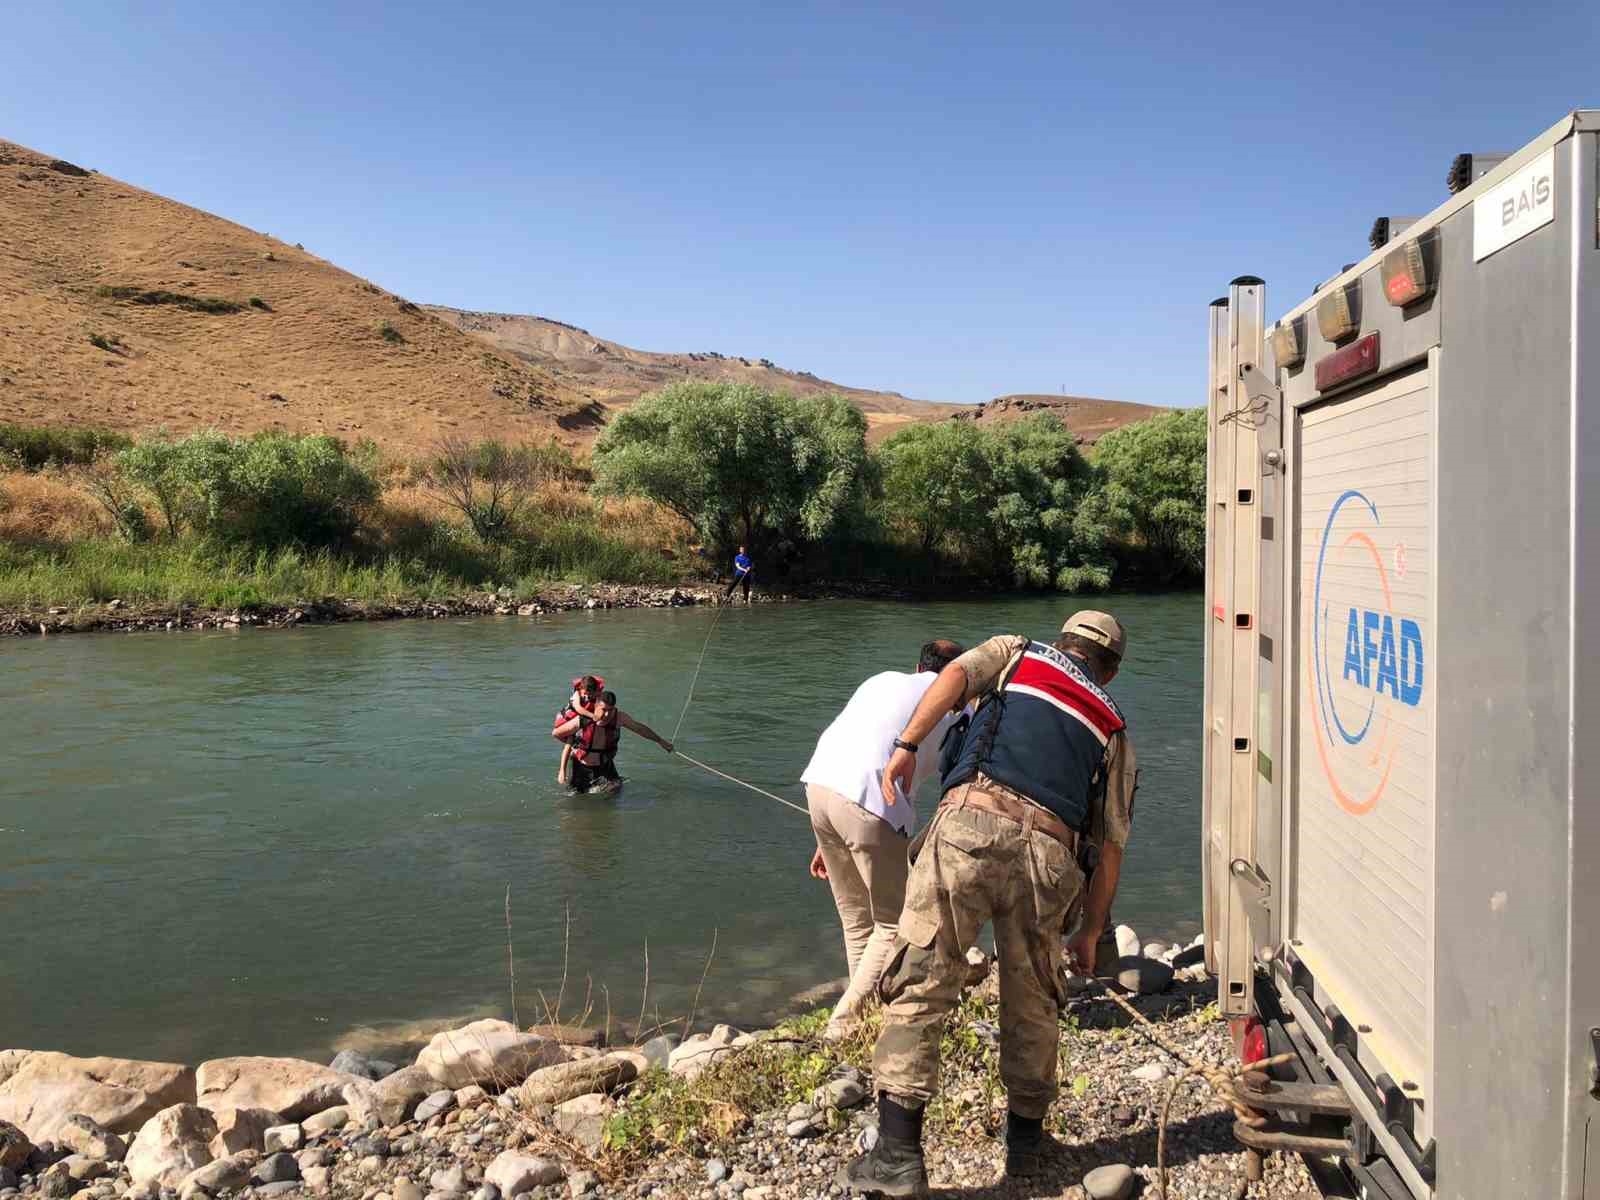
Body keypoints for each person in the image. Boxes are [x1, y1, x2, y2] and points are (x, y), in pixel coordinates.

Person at [840, 611, 1138, 1194]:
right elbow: (1111, 846)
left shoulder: (1018, 652)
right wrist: (1091, 930)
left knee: (923, 977)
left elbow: (954, 676)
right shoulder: (1113, 726)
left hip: (971, 825)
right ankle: (1026, 1147)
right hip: (1051, 856)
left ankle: (898, 1151)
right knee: (1034, 998)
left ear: (1064, 643)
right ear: (1111, 670)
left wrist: (907, 744)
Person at [801, 638, 967, 1041]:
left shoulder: (881, 680)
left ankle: (864, 1012)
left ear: (917, 665)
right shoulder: (954, 709)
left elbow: (861, 737)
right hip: (871, 800)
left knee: (857, 920)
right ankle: (842, 1022)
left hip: (821, 787)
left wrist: (828, 839)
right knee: (893, 923)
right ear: (958, 677)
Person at [551, 689, 675, 790]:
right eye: (603, 710)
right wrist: (562, 769)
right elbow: (556, 733)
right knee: (578, 802)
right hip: (582, 767)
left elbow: (641, 729)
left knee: (615, 793)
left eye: (610, 710)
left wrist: (661, 741)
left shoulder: (619, 718)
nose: (606, 715)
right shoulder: (582, 720)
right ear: (596, 706)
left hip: (606, 765)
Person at [554, 674, 605, 785]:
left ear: (595, 690)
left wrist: (599, 715)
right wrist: (593, 716)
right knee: (570, 742)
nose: (586, 695)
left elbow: (601, 708)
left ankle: (576, 748)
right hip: (570, 721)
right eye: (584, 692)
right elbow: (578, 708)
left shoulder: (598, 694)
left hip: (584, 720)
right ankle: (562, 770)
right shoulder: (577, 694)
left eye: (588, 693)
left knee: (574, 742)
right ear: (581, 688)